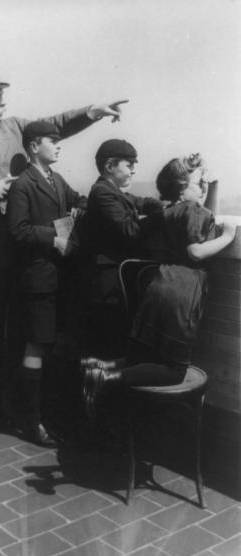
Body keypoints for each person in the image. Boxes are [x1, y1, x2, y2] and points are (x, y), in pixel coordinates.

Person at [0, 66, 128, 429]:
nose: (3, 103)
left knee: (21, 333)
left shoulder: (14, 127)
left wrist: (92, 112)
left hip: (23, 256)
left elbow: (53, 125)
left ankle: (16, 404)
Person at [82, 153, 235, 417]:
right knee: (174, 370)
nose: (203, 187)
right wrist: (229, 236)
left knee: (144, 357)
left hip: (159, 286)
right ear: (181, 188)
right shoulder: (192, 210)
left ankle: (101, 366)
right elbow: (196, 251)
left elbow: (205, 217)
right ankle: (105, 377)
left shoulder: (170, 211)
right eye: (199, 183)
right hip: (182, 293)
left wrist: (213, 185)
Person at [7, 121, 84, 446]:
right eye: (52, 140)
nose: (58, 145)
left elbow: (79, 200)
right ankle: (31, 420)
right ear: (34, 146)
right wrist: (54, 238)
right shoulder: (23, 185)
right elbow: (18, 230)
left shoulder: (57, 179)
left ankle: (41, 413)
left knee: (48, 344)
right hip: (37, 278)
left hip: (57, 277)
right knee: (36, 345)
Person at [82, 138, 163, 360]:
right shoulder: (102, 192)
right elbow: (130, 230)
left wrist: (161, 206)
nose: (133, 170)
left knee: (114, 342)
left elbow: (143, 202)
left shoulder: (114, 192)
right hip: (106, 282)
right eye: (129, 165)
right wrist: (163, 217)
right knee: (108, 344)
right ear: (110, 166)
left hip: (114, 278)